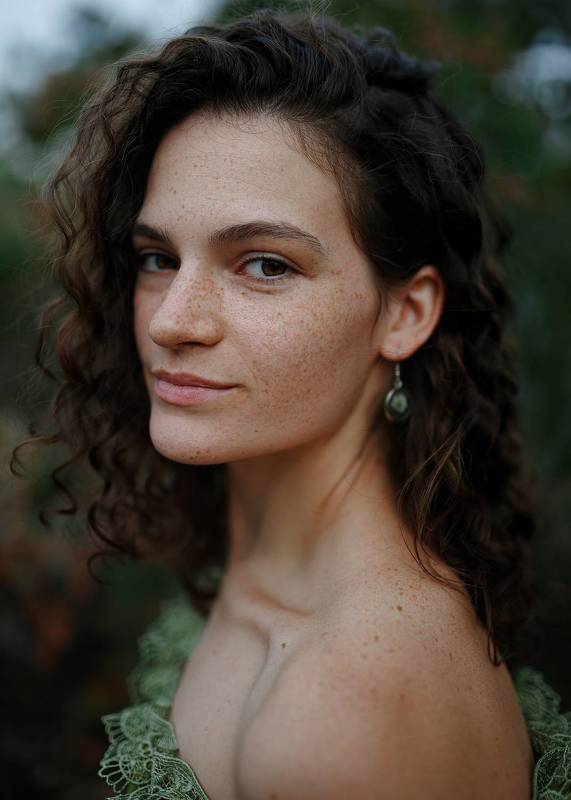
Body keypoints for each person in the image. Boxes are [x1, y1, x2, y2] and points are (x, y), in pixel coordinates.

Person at [10, 7, 571, 799]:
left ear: (404, 314)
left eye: (265, 265)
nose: (172, 322)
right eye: (158, 257)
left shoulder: (350, 712)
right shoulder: (255, 555)